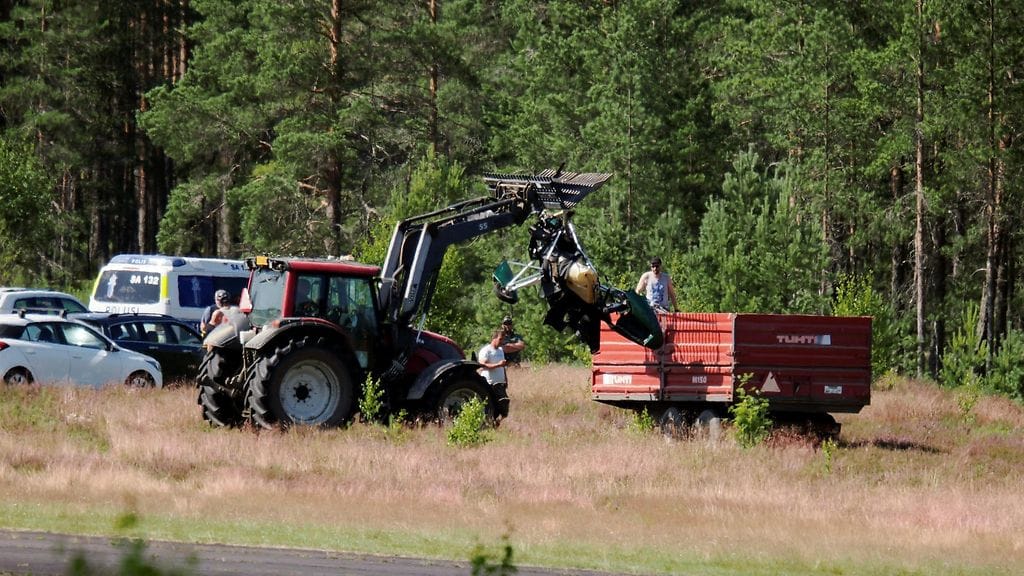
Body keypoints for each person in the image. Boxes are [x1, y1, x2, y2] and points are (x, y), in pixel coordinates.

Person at [478, 329, 511, 414]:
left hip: (500, 384)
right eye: (500, 339)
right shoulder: (486, 350)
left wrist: (505, 379)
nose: (502, 341)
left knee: (504, 407)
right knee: (489, 407)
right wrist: (498, 365)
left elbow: (502, 367)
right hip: (489, 383)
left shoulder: (500, 351)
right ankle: (490, 423)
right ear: (494, 338)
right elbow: (482, 365)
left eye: (503, 339)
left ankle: (496, 423)